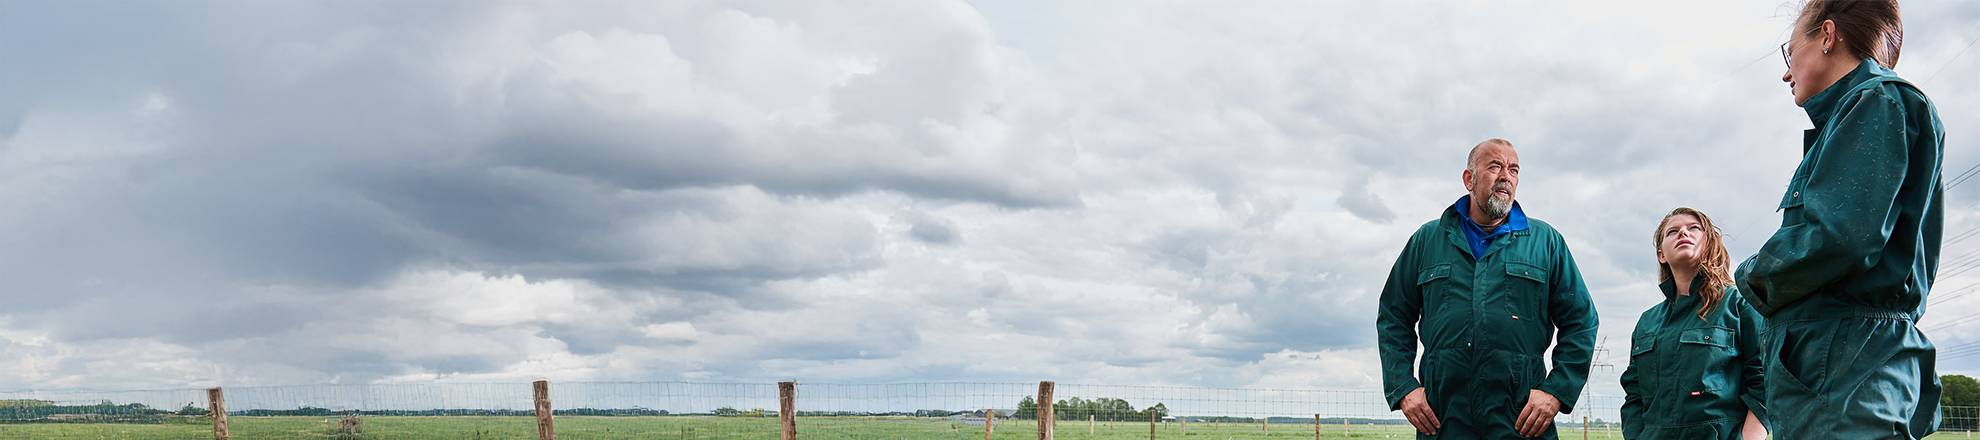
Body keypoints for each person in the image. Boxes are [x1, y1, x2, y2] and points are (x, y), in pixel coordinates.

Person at [1738, 0, 1944, 438]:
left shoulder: (1875, 99)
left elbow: (1842, 236)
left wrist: (1751, 276)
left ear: (1828, 36)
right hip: (1838, 372)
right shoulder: (1859, 113)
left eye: (1789, 52)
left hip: (1848, 374)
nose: (1786, 72)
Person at [1377, 139, 1599, 439]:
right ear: (1469, 178)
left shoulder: (1546, 242)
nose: (1506, 176)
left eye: (1514, 169)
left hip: (1522, 417)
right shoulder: (1429, 239)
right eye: (1495, 166)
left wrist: (1556, 391)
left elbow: (1581, 322)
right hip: (1443, 416)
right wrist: (1403, 387)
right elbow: (1393, 315)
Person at [1621, 208, 1767, 440]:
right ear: (1662, 255)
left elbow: (1765, 384)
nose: (1683, 233)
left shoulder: (1740, 305)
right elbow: (1635, 395)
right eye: (1673, 231)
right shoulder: (1647, 322)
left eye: (1693, 228)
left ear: (1709, 244)